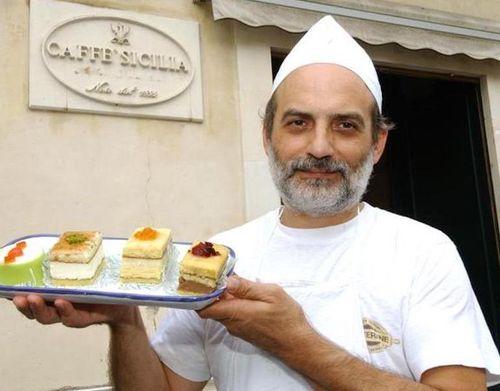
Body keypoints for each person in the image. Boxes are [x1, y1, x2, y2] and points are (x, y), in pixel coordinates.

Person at [13, 15, 500, 390]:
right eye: (298, 122)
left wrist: (295, 341)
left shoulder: (422, 252)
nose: (320, 147)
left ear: (377, 146)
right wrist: (124, 322)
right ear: (267, 137)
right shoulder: (215, 258)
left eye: (346, 126)